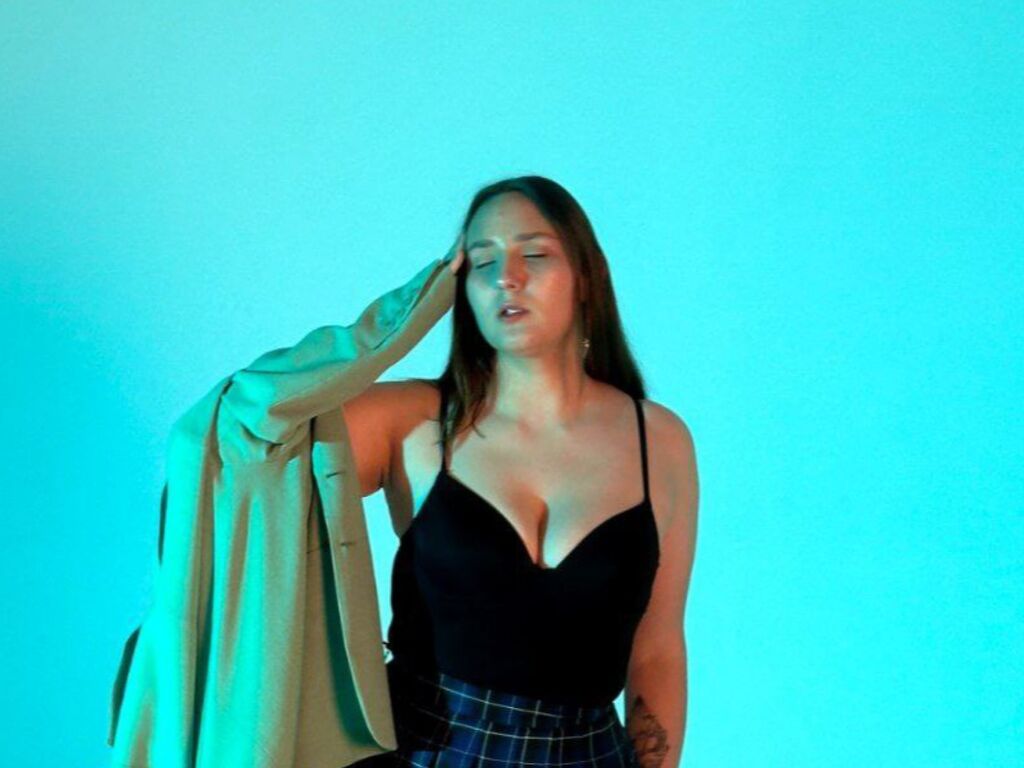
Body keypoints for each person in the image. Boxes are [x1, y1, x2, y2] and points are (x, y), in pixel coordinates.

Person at [342, 176, 698, 768]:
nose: (506, 277)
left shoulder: (659, 440)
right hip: (419, 752)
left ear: (586, 276)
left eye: (534, 255)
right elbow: (246, 448)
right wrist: (395, 321)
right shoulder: (405, 420)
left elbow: (656, 650)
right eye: (482, 263)